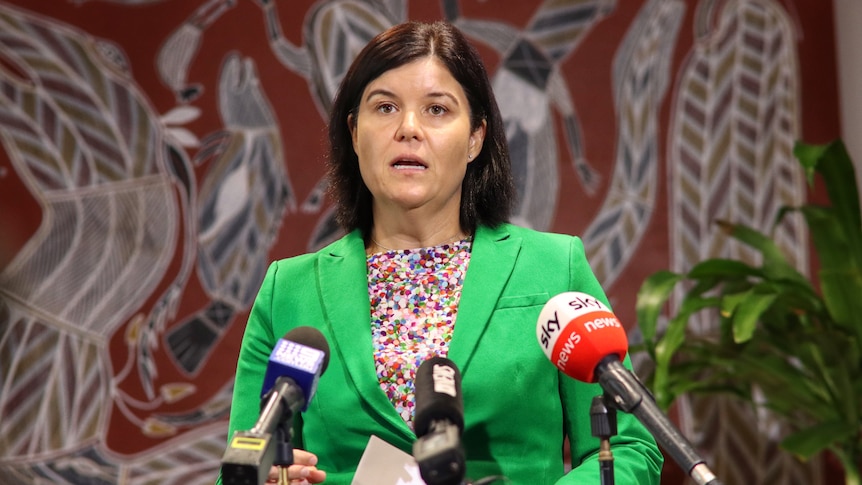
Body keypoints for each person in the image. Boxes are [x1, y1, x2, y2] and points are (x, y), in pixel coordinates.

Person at [218, 20, 663, 485]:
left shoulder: (553, 267)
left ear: (475, 138)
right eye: (385, 107)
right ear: (354, 133)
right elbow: (239, 466)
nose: (408, 128)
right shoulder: (286, 291)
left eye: (436, 109)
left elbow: (629, 449)